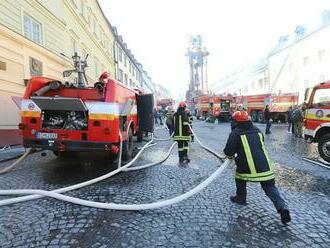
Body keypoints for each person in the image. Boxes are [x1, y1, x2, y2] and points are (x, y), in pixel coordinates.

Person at [223, 110, 291, 224]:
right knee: (269, 187)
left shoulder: (235, 133)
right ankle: (282, 207)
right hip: (265, 167)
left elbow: (229, 152)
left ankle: (241, 198)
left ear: (236, 122)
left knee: (239, 178)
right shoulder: (258, 130)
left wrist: (230, 154)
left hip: (246, 168)